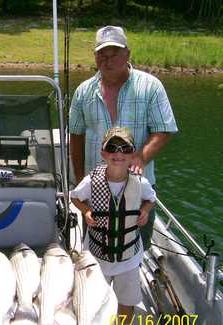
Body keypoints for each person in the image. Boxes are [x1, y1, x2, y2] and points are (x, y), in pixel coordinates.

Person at [69, 25, 178, 250]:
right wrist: (80, 179)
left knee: (137, 246)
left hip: (137, 185)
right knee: (95, 249)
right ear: (95, 56)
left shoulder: (151, 86)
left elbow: (164, 129)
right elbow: (76, 136)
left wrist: (141, 157)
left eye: (114, 54)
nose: (107, 60)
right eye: (102, 54)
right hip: (95, 186)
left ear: (127, 54)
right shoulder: (83, 91)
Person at [71, 127, 156, 325]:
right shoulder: (92, 180)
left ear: (132, 155)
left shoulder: (140, 182)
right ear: (102, 153)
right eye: (112, 148)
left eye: (125, 149)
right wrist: (86, 211)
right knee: (95, 297)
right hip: (97, 254)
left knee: (127, 300)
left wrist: (145, 211)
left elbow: (151, 198)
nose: (118, 154)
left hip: (129, 255)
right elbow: (75, 197)